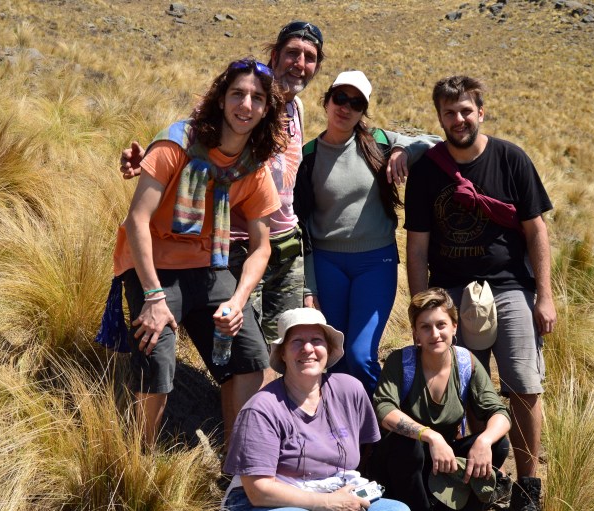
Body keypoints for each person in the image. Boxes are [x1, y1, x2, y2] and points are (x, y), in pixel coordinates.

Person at [121, 21, 326, 354]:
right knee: (241, 343)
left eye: (309, 57)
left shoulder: (297, 109)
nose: (299, 64)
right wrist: (150, 159)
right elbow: (193, 145)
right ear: (275, 55)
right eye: (292, 53)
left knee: (284, 343)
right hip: (236, 243)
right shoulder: (239, 98)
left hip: (285, 242)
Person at [111, 58, 287, 446]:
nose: (246, 105)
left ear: (266, 110)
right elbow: (137, 220)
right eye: (237, 94)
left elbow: (261, 247)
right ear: (221, 99)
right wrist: (153, 296)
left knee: (251, 358)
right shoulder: (176, 144)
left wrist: (238, 302)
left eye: (257, 98)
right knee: (156, 353)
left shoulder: (254, 167)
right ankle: (138, 458)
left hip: (208, 266)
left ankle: (237, 463)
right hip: (152, 266)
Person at [403, 75, 556, 511]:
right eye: (449, 112)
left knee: (524, 385)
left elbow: (536, 230)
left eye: (466, 110)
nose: (459, 119)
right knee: (470, 386)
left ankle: (528, 487)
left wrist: (544, 295)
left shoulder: (510, 158)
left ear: (481, 112)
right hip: (451, 292)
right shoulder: (427, 170)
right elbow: (417, 246)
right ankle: (484, 475)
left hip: (510, 287)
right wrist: (421, 308)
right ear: (439, 118)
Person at [293, 70, 440, 394]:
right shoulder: (308, 156)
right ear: (326, 101)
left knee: (360, 356)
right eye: (340, 98)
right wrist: (309, 286)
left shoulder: (379, 142)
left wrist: (403, 150)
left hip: (376, 263)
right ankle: (348, 423)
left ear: (363, 111)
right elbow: (302, 227)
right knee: (334, 358)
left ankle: (387, 415)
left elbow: (435, 143)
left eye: (356, 103)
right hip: (327, 264)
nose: (346, 107)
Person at [222, 308, 410, 511]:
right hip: (272, 499)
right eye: (297, 341)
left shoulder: (349, 390)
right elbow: (258, 491)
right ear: (282, 353)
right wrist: (327, 503)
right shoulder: (261, 409)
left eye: (316, 340)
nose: (308, 348)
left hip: (336, 488)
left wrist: (341, 498)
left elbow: (366, 450)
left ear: (328, 349)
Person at [370, 289, 511, 511]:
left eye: (441, 325)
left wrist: (484, 441)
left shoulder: (465, 363)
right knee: (407, 445)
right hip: (401, 465)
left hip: (445, 460)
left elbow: (499, 412)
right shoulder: (401, 362)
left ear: (454, 326)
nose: (434, 334)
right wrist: (431, 437)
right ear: (416, 333)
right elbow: (383, 409)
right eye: (425, 327)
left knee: (498, 444)